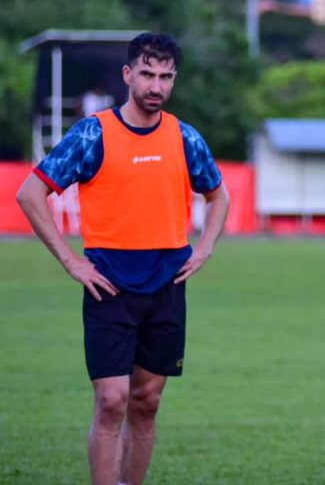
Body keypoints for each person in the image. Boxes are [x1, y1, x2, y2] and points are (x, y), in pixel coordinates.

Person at [16, 32, 230, 485]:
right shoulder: (92, 133)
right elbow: (30, 194)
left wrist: (206, 246)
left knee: (146, 402)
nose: (156, 85)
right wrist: (71, 262)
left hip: (167, 285)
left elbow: (219, 195)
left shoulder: (185, 137)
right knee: (112, 400)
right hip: (108, 284)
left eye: (166, 77)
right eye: (148, 74)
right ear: (128, 75)